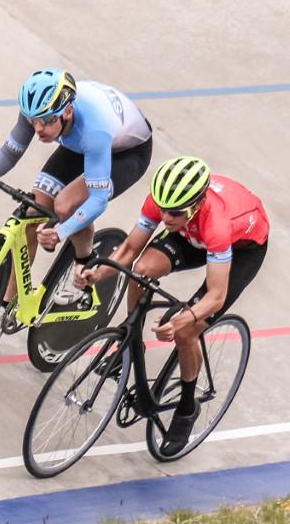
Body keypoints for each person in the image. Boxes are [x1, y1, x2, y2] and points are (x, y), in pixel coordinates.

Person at [74, 156, 268, 455]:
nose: (165, 217)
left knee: (187, 332)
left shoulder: (217, 223)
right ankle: (130, 344)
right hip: (190, 234)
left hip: (240, 248)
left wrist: (181, 320)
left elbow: (216, 296)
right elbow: (129, 249)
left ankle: (187, 409)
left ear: (197, 204)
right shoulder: (166, 204)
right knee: (141, 270)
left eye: (173, 212)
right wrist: (97, 274)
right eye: (162, 208)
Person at [0, 68, 153, 307]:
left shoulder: (94, 130)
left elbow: (97, 200)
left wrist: (60, 232)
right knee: (32, 214)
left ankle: (84, 263)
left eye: (46, 121)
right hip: (78, 140)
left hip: (126, 153)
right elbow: (9, 154)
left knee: (66, 206)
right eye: (33, 121)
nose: (38, 128)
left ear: (68, 112)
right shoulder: (39, 111)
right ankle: (6, 306)